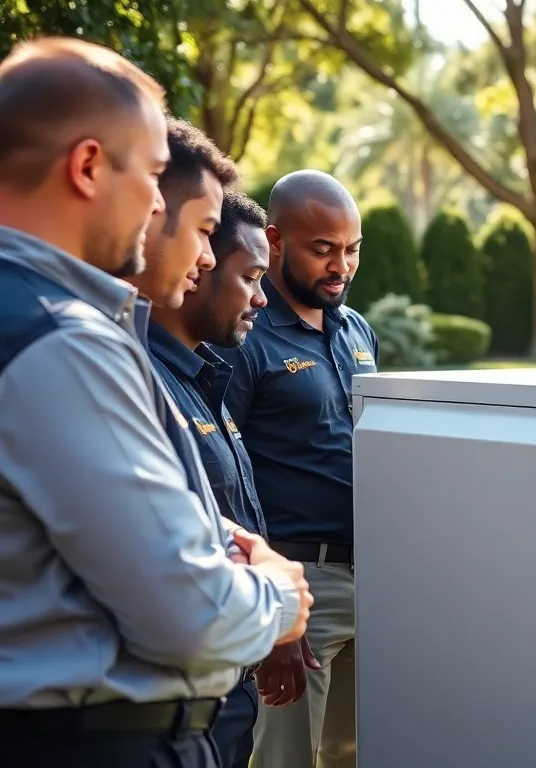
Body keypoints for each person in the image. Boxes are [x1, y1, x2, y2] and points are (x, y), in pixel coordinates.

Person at [0, 38, 310, 768]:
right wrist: (277, 596)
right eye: (149, 175)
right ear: (86, 167)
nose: (152, 204)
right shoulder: (60, 341)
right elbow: (192, 619)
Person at [148, 184, 321, 768]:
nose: (261, 300)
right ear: (198, 267)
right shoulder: (145, 383)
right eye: (249, 278)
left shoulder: (207, 375)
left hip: (232, 671)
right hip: (185, 690)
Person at [213, 169, 377, 768]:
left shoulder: (356, 330)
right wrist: (275, 606)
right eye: (324, 249)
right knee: (286, 759)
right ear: (276, 241)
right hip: (299, 581)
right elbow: (221, 472)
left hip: (377, 575)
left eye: (353, 249)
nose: (342, 266)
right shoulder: (245, 338)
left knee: (359, 753)